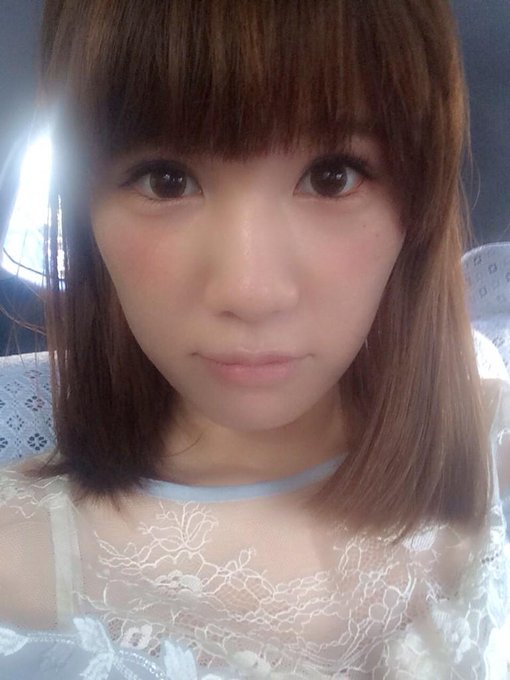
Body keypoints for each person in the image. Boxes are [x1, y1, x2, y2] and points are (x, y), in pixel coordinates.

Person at [0, 0, 509, 677]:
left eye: (331, 176)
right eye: (166, 180)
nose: (250, 291)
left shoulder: (496, 449)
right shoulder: (17, 564)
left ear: (417, 209)